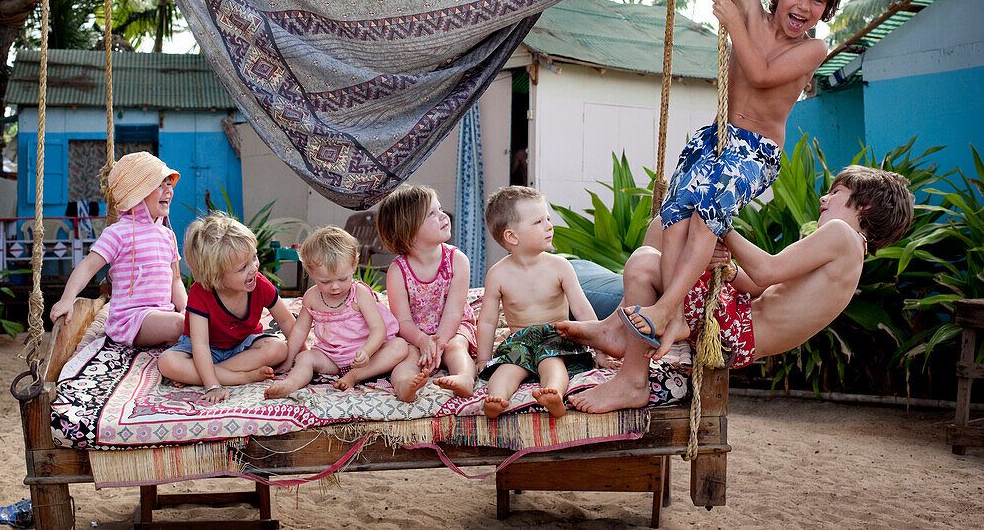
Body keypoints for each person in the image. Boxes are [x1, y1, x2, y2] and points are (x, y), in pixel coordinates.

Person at [625, 0, 844, 357]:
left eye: (817, 3)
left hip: (755, 150)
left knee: (706, 214)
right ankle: (675, 314)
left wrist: (730, 26)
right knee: (674, 213)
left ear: (824, 12)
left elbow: (762, 73)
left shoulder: (813, 48)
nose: (804, 8)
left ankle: (665, 308)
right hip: (718, 138)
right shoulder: (749, 10)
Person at [559, 166, 914, 413]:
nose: (824, 198)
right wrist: (723, 266)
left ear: (864, 204)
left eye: (836, 192)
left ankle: (632, 378)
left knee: (646, 261)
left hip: (731, 334)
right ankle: (617, 328)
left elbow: (766, 270)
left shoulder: (843, 236)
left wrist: (719, 222)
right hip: (738, 325)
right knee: (665, 226)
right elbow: (756, 284)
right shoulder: (850, 252)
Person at [476, 186, 608, 419]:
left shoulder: (560, 267)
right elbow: (487, 321)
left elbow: (582, 309)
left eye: (547, 218)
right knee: (508, 367)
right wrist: (484, 359)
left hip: (557, 336)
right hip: (520, 340)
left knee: (552, 362)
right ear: (512, 236)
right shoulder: (498, 274)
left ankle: (554, 394)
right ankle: (496, 399)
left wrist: (601, 349)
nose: (549, 225)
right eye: (538, 222)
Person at [264, 227, 421, 400]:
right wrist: (289, 359)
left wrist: (367, 351)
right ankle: (290, 384)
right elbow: (300, 330)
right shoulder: (312, 297)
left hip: (366, 357)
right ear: (310, 272)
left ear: (353, 266)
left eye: (342, 279)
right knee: (305, 357)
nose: (335, 287)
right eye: (325, 281)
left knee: (399, 346)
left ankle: (354, 376)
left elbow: (378, 329)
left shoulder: (359, 293)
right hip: (330, 358)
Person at [50, 151, 187, 347]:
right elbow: (87, 267)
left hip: (163, 315)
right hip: (132, 320)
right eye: (159, 184)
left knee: (192, 320)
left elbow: (175, 279)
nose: (169, 190)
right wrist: (66, 299)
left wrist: (186, 308)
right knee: (181, 325)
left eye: (169, 183)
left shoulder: (167, 235)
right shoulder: (118, 233)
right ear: (137, 194)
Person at [156, 213, 295, 403]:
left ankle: (199, 374)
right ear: (216, 276)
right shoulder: (200, 293)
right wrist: (213, 386)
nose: (254, 268)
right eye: (242, 267)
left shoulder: (259, 284)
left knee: (279, 349)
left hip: (244, 345)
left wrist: (301, 355)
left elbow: (287, 321)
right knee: (167, 363)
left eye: (254, 257)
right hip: (206, 349)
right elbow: (200, 345)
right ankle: (241, 377)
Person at [377, 184, 478, 398]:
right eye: (432, 213)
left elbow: (453, 313)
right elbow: (402, 322)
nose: (443, 216)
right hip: (416, 332)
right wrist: (422, 340)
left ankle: (464, 378)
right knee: (407, 356)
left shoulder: (457, 260)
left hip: (452, 326)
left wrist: (440, 343)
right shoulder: (398, 271)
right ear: (409, 230)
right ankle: (405, 385)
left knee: (456, 348)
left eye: (440, 209)